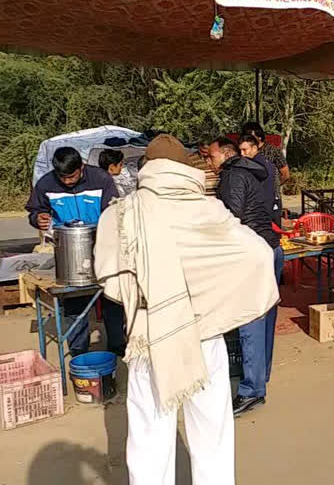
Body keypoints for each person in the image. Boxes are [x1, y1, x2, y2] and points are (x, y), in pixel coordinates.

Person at [94, 134, 279, 485]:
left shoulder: (120, 213)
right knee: (212, 431)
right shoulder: (208, 209)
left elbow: (109, 278)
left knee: (149, 434)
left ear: (146, 168)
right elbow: (257, 254)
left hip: (149, 333)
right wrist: (219, 301)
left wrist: (145, 298)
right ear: (182, 168)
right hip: (204, 332)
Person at [208, 137, 284, 415]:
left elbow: (232, 218)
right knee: (265, 316)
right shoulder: (252, 172)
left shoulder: (232, 175)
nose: (209, 162)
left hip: (252, 253)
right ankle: (260, 376)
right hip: (270, 248)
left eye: (211, 157)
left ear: (226, 155)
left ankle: (252, 390)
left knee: (249, 319)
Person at [25, 146, 125, 357]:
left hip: (102, 249)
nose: (67, 182)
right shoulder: (46, 184)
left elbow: (115, 210)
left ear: (82, 167)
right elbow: (35, 211)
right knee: (75, 304)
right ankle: (79, 351)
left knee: (112, 299)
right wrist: (38, 219)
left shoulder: (101, 179)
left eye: (71, 176)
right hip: (68, 254)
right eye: (63, 177)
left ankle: (117, 346)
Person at [241, 122, 289, 204]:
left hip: (271, 199)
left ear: (259, 137)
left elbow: (285, 174)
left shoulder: (273, 151)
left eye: (250, 136)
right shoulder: (242, 152)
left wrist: (273, 186)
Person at [240, 134, 281, 224]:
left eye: (244, 150)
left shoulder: (254, 166)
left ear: (254, 148)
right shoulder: (266, 162)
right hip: (268, 209)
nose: (242, 154)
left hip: (260, 212)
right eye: (240, 150)